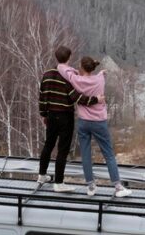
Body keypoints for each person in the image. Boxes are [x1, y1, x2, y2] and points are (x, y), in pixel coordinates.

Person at [57, 56, 132, 198]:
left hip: (83, 122)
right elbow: (99, 75)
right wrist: (100, 72)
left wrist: (75, 70)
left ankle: (91, 186)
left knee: (85, 154)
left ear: (81, 67)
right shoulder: (100, 79)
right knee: (108, 154)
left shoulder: (76, 79)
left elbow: (61, 67)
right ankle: (117, 186)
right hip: (99, 122)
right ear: (93, 68)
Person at [37, 46, 102, 193]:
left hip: (51, 115)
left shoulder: (47, 74)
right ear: (69, 58)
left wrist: (44, 115)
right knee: (63, 149)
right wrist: (95, 99)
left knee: (48, 145)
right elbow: (77, 98)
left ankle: (42, 175)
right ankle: (59, 182)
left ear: (56, 57)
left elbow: (42, 96)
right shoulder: (68, 76)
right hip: (65, 116)